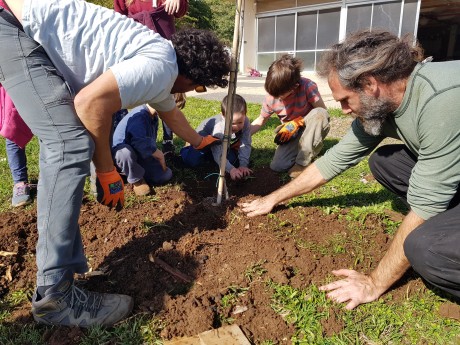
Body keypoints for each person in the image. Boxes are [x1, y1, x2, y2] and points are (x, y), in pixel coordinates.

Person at [0, 0, 229, 327]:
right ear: (189, 77)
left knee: (69, 141)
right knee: (69, 144)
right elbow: (90, 103)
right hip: (14, 26)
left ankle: (65, 270)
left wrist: (200, 141)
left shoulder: (160, 60)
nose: (193, 92)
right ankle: (55, 296)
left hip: (17, 23)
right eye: (197, 86)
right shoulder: (160, 67)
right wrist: (107, 172)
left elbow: (171, 113)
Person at [241, 30, 460, 309]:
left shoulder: (439, 102)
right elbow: (333, 161)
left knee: (424, 248)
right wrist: (273, 198)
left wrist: (373, 283)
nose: (343, 110)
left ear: (369, 84)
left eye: (345, 100)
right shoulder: (381, 105)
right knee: (385, 162)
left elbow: (426, 202)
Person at [113, 0, 189, 155]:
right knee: (141, 100)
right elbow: (117, 20)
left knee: (166, 96)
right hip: (137, 51)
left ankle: (168, 140)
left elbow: (180, 11)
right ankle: (146, 143)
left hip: (164, 54)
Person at [250, 55, 330, 179]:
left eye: (280, 95)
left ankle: (302, 162)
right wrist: (241, 135)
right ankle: (304, 147)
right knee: (278, 166)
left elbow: (322, 112)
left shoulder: (307, 86)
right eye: (273, 93)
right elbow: (260, 120)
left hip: (310, 126)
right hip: (292, 132)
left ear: (294, 87)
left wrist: (300, 121)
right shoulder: (272, 97)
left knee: (319, 114)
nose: (276, 97)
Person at [181, 94, 252, 181]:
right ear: (223, 116)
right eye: (232, 123)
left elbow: (246, 143)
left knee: (233, 160)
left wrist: (243, 165)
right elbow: (218, 152)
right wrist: (231, 169)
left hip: (220, 145)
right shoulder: (219, 128)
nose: (236, 127)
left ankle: (212, 159)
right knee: (192, 162)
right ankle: (186, 149)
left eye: (240, 122)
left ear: (245, 114)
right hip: (203, 144)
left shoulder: (246, 122)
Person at [112, 104, 173, 196]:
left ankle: (132, 173)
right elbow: (139, 142)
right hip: (122, 158)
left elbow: (149, 142)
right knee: (125, 152)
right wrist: (157, 154)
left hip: (138, 155)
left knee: (165, 175)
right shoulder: (139, 116)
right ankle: (136, 179)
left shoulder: (153, 117)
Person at [1, 86, 33, 207]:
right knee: (13, 132)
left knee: (47, 132)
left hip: (40, 80)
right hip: (12, 85)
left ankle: (49, 178)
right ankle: (20, 183)